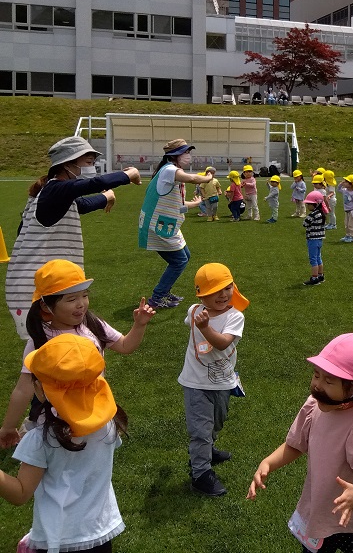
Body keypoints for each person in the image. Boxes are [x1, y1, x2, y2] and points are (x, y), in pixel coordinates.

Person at [247, 334, 353, 552]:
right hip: (318, 512)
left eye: (328, 381)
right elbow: (295, 445)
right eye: (316, 375)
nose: (317, 385)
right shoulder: (313, 406)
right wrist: (268, 462)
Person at [0, 259, 154, 448]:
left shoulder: (91, 324)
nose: (81, 304)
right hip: (57, 420)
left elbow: (124, 346)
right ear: (46, 306)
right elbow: (24, 389)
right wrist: (8, 427)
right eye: (71, 299)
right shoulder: (41, 340)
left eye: (84, 295)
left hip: (93, 410)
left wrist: (139, 325)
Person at [0, 334, 128, 553]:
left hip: (58, 538)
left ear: (40, 389)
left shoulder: (41, 438)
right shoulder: (108, 425)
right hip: (100, 532)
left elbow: (20, 493)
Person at [6, 136, 141, 340]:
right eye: (88, 162)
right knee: (46, 345)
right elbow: (96, 183)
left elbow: (82, 205)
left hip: (49, 284)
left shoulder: (55, 193)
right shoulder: (55, 189)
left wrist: (106, 197)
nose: (92, 167)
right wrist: (129, 174)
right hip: (35, 287)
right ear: (68, 163)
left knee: (58, 339)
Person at [179, 263, 249, 497]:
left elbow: (222, 342)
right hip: (195, 382)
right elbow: (193, 325)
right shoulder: (194, 312)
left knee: (217, 421)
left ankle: (207, 449)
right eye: (214, 291)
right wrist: (202, 323)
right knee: (200, 429)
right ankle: (200, 474)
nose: (222, 294)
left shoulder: (235, 317)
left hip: (223, 381)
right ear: (200, 295)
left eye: (227, 287)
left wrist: (206, 327)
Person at [138, 139, 214, 310]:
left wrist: (195, 203)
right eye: (186, 152)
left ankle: (163, 292)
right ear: (175, 156)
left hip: (166, 225)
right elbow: (193, 178)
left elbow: (177, 204)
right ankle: (157, 297)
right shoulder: (170, 170)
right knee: (179, 261)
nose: (189, 156)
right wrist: (208, 177)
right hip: (159, 226)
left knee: (184, 257)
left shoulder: (169, 172)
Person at [301, 190, 329, 286]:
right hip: (319, 239)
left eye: (309, 204)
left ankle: (314, 278)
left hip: (312, 239)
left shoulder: (312, 214)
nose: (308, 206)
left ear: (316, 204)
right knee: (318, 257)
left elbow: (304, 224)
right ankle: (321, 276)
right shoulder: (321, 214)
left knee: (313, 259)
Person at [338, 175, 353, 241]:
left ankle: (352, 237)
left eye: (346, 181)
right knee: (346, 224)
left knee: (351, 225)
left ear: (351, 184)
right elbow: (338, 190)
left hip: (352, 211)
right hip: (346, 210)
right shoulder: (345, 190)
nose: (344, 182)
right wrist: (340, 184)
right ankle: (347, 235)